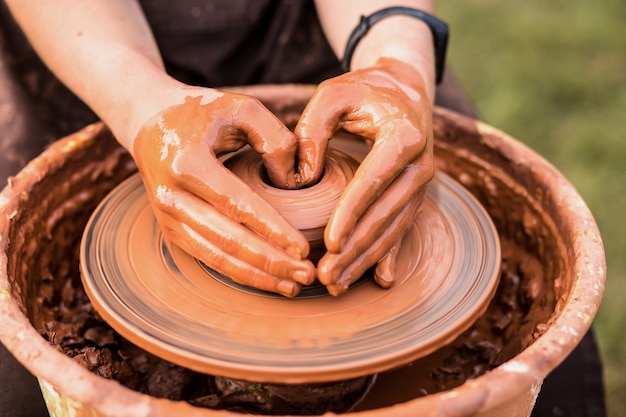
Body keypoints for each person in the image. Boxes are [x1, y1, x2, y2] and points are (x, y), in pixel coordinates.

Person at [0, 1, 606, 416]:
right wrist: (142, 109)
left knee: (556, 363)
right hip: (92, 60)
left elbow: (391, 46)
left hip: (330, 52)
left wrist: (397, 65)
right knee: (17, 381)